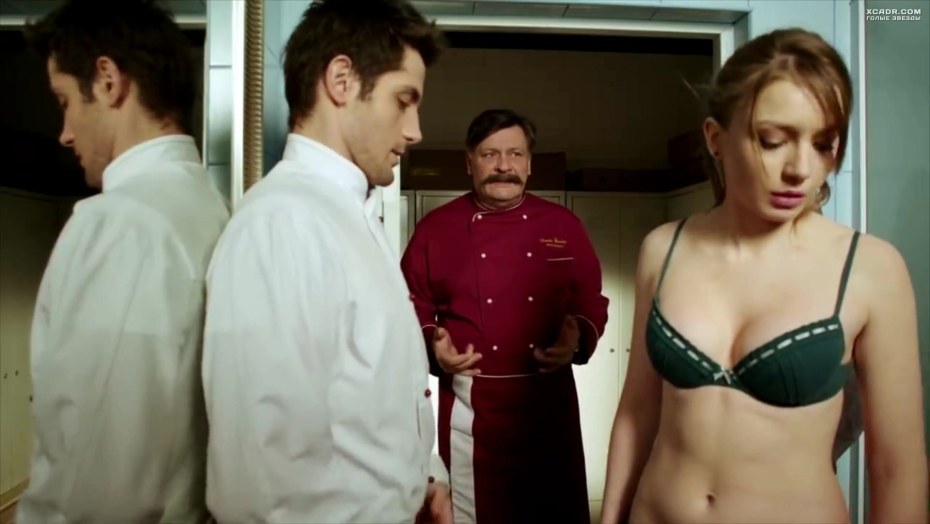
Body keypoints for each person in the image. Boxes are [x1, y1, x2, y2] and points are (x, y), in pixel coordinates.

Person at [601, 27, 927, 524]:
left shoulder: (870, 269)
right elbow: (637, 414)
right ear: (715, 138)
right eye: (773, 141)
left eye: (823, 144)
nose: (801, 168)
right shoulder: (662, 249)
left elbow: (896, 467)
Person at [201, 1, 450, 522]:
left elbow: (371, 402)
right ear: (342, 80)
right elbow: (263, 482)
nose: (415, 130)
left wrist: (422, 482)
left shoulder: (351, 215)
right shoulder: (282, 224)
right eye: (403, 101)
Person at [17, 1, 230, 523]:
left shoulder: (121, 224)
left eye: (66, 101)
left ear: (108, 81)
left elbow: (98, 478)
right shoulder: (209, 208)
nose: (65, 132)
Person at [400, 109, 610, 523]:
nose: (503, 166)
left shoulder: (563, 225)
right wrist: (431, 342)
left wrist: (577, 338)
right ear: (469, 163)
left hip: (548, 404)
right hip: (474, 410)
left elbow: (591, 300)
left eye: (515, 154)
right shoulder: (435, 229)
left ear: (529, 164)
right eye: (489, 154)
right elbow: (409, 302)